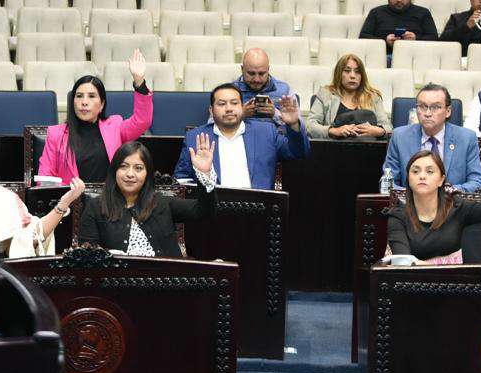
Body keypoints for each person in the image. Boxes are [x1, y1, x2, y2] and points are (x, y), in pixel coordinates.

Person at [78, 138, 217, 257]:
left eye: (138, 168)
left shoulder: (161, 202)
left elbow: (204, 211)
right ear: (114, 171)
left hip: (166, 282)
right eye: (123, 167)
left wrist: (204, 174)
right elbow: (88, 257)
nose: (130, 174)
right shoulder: (96, 207)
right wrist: (109, 256)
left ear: (147, 174)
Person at [386, 136, 481, 264]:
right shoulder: (398, 215)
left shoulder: (457, 206)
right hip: (415, 281)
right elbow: (402, 262)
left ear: (441, 180)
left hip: (455, 281)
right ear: (408, 180)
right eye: (415, 171)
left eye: (430, 171)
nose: (422, 176)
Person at [37, 51, 154, 184]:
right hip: (72, 201)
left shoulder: (115, 127)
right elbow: (45, 178)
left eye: (91, 96)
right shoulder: (56, 134)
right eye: (79, 96)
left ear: (102, 104)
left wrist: (139, 82)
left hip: (110, 201)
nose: (84, 102)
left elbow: (142, 121)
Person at [174, 84, 309, 189]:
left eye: (234, 103)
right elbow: (181, 179)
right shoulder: (196, 137)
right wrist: (204, 179)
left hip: (258, 211)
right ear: (211, 110)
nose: (229, 109)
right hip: (212, 212)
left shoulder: (266, 132)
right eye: (221, 104)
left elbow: (299, 153)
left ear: (242, 106)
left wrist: (293, 125)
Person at [382, 83, 481, 193]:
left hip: (452, 205)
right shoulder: (400, 137)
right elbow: (388, 183)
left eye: (435, 107)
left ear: (448, 111)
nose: (428, 113)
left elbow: (476, 182)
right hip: (411, 206)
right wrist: (414, 196)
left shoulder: (467, 138)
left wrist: (449, 192)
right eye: (422, 106)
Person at [307, 53, 390, 139]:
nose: (352, 76)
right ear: (339, 73)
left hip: (367, 148)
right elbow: (310, 126)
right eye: (347, 71)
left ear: (362, 76)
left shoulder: (373, 97)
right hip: (334, 149)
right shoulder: (325, 94)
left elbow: (388, 128)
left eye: (357, 72)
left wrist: (379, 131)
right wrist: (333, 131)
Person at [358, 0, 438, 49]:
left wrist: (416, 39)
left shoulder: (423, 13)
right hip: (384, 56)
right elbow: (363, 37)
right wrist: (384, 41)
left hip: (415, 56)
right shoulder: (376, 12)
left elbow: (434, 39)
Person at [235, 48, 293, 121]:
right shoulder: (229, 92)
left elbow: (299, 130)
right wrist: (241, 115)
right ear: (242, 69)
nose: (257, 79)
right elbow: (217, 126)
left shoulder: (284, 90)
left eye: (261, 74)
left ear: (268, 70)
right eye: (251, 74)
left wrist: (275, 114)